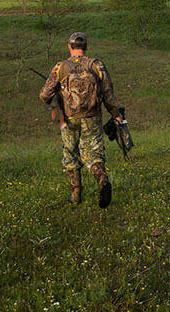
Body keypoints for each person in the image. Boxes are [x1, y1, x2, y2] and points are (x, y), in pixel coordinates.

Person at [39, 32, 123, 208]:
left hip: (68, 119)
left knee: (70, 153)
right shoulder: (97, 65)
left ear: (69, 46)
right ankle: (102, 180)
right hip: (92, 118)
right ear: (86, 46)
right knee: (94, 154)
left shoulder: (60, 67)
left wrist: (57, 98)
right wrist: (115, 113)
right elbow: (108, 94)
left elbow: (45, 95)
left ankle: (75, 195)